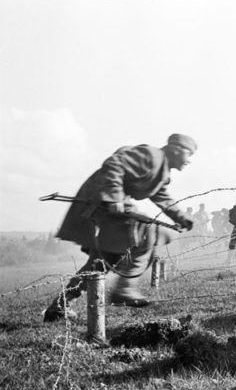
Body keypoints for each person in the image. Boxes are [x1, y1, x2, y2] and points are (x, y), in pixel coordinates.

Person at [43, 134, 197, 321]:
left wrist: (181, 217)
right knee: (148, 234)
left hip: (112, 204)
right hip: (101, 200)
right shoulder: (151, 156)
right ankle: (124, 290)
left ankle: (59, 307)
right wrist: (115, 197)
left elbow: (161, 196)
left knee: (101, 261)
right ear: (176, 150)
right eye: (189, 155)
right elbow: (114, 164)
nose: (189, 161)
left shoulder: (162, 173)